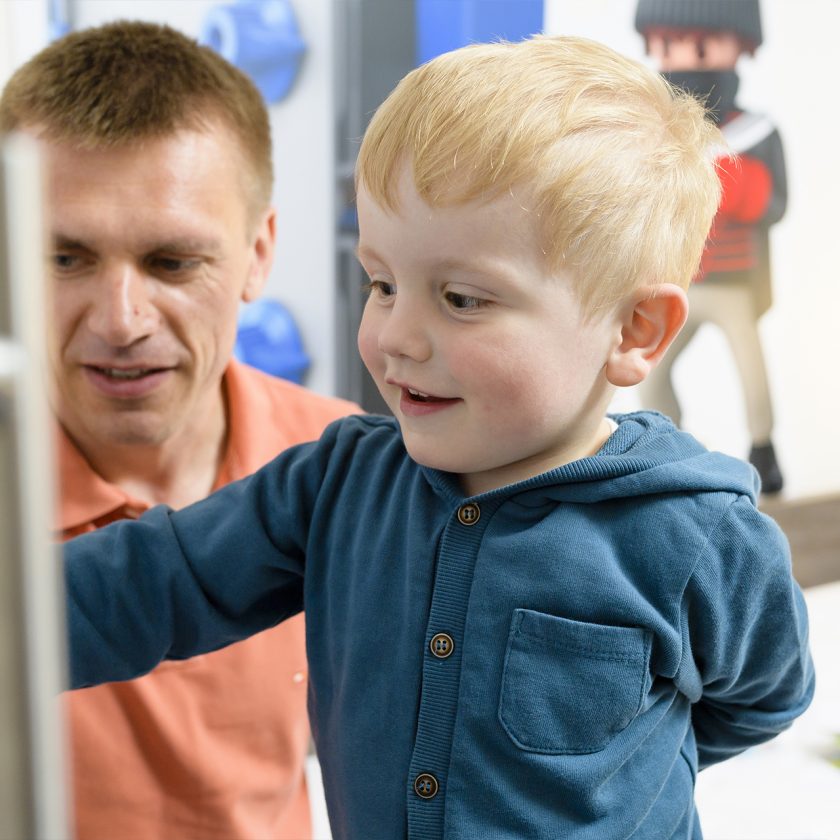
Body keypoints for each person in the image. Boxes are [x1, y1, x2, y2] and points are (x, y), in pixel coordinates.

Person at [60, 35, 814, 839]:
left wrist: (643, 776)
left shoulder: (698, 537)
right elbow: (151, 583)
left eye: (460, 298)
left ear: (634, 330)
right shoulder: (333, 486)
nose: (396, 336)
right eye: (381, 283)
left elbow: (761, 698)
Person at [0, 21, 357, 840]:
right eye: (65, 259)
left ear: (258, 252)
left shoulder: (347, 476)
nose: (121, 321)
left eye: (172, 262)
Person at [634, 0, 787, 493]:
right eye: (663, 46)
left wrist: (729, 182)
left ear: (737, 47)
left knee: (751, 369)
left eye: (698, 47)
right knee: (650, 372)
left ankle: (763, 449)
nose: (678, 59)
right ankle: (664, 448)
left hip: (735, 283)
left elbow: (776, 202)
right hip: (674, 280)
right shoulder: (654, 136)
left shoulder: (756, 133)